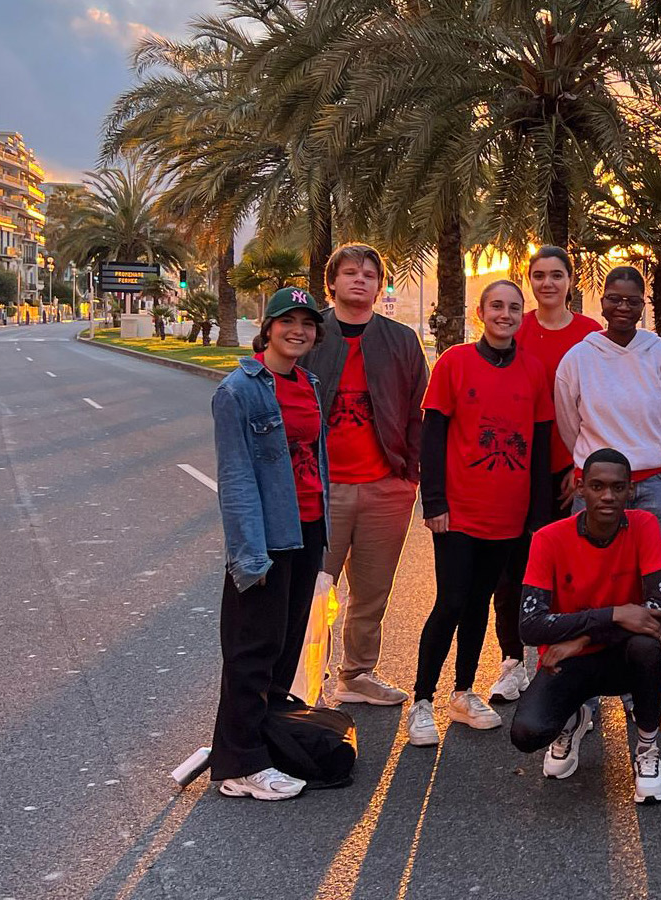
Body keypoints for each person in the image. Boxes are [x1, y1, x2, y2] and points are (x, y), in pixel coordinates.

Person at [405, 281, 555, 748]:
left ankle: (463, 692)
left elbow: (541, 447)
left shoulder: (533, 370)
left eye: (514, 308)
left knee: (478, 604)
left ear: (522, 315)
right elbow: (433, 436)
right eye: (497, 306)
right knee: (450, 602)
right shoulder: (454, 362)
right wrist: (434, 502)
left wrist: (539, 515)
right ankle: (422, 700)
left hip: (508, 515)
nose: (505, 314)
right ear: (480, 312)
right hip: (458, 513)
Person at [208, 287, 330, 800]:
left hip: (308, 527)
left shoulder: (308, 383)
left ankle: (264, 744)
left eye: (307, 323)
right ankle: (241, 765)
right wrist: (248, 554)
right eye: (287, 321)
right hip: (268, 534)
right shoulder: (238, 391)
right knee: (252, 649)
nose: (298, 331)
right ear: (268, 328)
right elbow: (236, 479)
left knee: (283, 646)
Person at [509, 449, 661, 804]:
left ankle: (647, 749)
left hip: (620, 656)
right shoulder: (549, 538)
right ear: (580, 488)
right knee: (527, 733)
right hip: (567, 662)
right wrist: (614, 614)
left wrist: (581, 639)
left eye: (618, 487)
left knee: (647, 647)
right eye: (597, 486)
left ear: (631, 490)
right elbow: (530, 626)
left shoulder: (644, 525)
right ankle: (574, 718)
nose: (608, 496)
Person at [302, 243, 428, 709]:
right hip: (321, 491)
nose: (360, 279)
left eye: (370, 274)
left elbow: (420, 411)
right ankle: (303, 683)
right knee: (313, 592)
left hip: (385, 488)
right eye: (351, 272)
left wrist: (408, 478)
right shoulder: (310, 335)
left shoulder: (401, 340)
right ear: (332, 283)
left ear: (379, 287)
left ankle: (356, 675)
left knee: (372, 593)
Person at [487, 246, 603, 705]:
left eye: (557, 275)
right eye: (539, 275)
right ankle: (511, 660)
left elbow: (598, 403)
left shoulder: (590, 334)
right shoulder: (517, 328)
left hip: (571, 470)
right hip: (517, 469)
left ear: (571, 280)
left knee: (571, 571)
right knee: (512, 569)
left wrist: (580, 466)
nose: (548, 283)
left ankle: (569, 659)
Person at [554, 265, 661, 566]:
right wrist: (591, 461)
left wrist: (656, 449)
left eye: (633, 301)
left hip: (655, 482)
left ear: (643, 304)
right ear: (602, 302)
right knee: (588, 565)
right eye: (614, 299)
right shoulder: (578, 358)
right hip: (595, 484)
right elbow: (569, 423)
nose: (623, 307)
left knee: (653, 568)